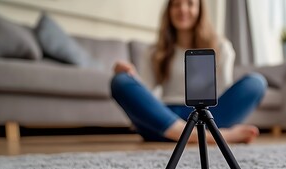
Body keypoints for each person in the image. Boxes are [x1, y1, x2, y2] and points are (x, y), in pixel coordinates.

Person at [111, 0, 267, 143]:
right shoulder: (154, 51)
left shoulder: (221, 47)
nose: (183, 9)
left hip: (208, 117)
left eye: (190, 3)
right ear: (169, 10)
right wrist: (128, 75)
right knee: (120, 81)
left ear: (200, 9)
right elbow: (146, 94)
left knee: (256, 82)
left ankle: (194, 135)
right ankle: (211, 137)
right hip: (166, 117)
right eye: (176, 4)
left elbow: (224, 90)